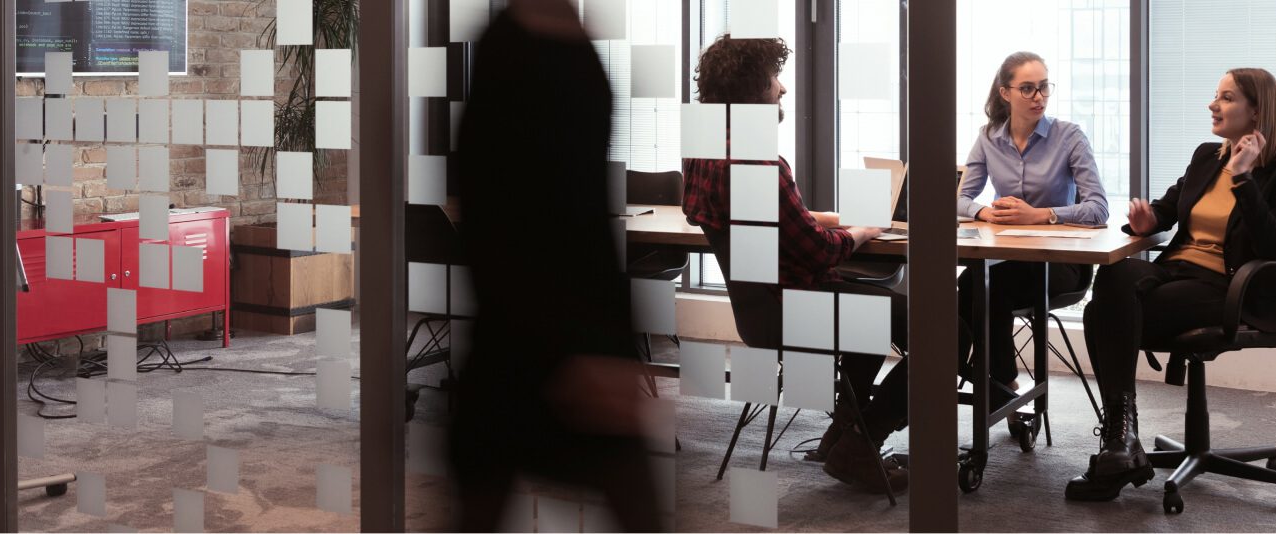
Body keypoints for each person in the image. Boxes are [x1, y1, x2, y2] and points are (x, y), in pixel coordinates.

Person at [447, 0, 664, 531]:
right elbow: (498, 212)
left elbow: (581, 209)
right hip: (543, 337)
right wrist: (579, 344)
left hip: (555, 331)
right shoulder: (514, 48)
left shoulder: (551, 35)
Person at [1066, 68, 1276, 501]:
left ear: (1257, 111)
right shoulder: (1206, 157)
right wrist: (1149, 220)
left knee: (1101, 314)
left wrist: (1244, 177)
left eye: (1227, 98)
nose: (1213, 105)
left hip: (1230, 286)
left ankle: (1119, 445)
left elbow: (1275, 242)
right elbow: (1168, 207)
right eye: (1215, 95)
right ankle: (1121, 442)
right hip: (1177, 270)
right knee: (1113, 277)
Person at [681, 35, 911, 492]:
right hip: (796, 307)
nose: (782, 88)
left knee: (872, 317)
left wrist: (824, 219)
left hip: (760, 313)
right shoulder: (760, 162)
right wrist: (861, 231)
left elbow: (767, 225)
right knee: (946, 331)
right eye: (774, 79)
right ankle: (861, 445)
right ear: (752, 90)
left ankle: (842, 437)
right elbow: (820, 251)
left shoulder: (703, 155)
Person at [955, 52, 1109, 438]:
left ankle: (998, 386)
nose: (1038, 96)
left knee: (987, 287)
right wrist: (984, 213)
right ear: (1005, 92)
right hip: (1007, 260)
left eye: (1043, 86)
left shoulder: (1068, 136)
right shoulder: (989, 137)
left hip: (1060, 265)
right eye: (1028, 88)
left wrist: (1040, 215)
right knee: (969, 286)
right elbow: (957, 198)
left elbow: (1098, 209)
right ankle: (981, 381)